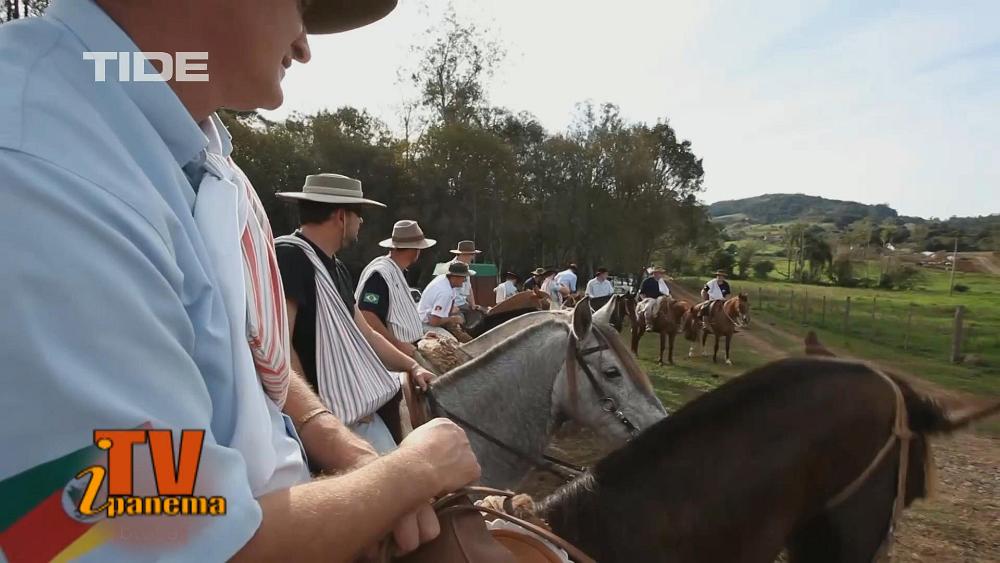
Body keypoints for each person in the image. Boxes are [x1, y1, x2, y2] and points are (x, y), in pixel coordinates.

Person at [0, 1, 480, 560]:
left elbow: (255, 361)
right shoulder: (42, 168)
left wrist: (339, 445)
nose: (304, 43)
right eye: (301, 5)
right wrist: (412, 472)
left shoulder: (166, 134)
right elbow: (144, 537)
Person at [275, 174, 436, 453]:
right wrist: (315, 419)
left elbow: (368, 333)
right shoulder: (290, 257)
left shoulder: (336, 268)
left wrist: (413, 365)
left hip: (355, 411)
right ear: (341, 216)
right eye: (358, 214)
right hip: (326, 421)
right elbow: (282, 345)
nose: (361, 221)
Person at [356, 220, 436, 358]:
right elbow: (367, 315)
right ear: (415, 250)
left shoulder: (396, 271)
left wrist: (419, 338)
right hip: (386, 357)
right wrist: (398, 345)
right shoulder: (380, 274)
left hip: (404, 349)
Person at [418, 262, 473, 330]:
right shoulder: (445, 292)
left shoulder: (444, 279)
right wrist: (453, 319)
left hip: (428, 318)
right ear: (455, 277)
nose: (464, 280)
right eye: (463, 277)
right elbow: (434, 322)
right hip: (426, 325)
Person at [448, 240, 485, 319]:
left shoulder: (466, 267)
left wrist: (473, 304)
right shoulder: (450, 268)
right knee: (460, 320)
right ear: (463, 255)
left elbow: (469, 288)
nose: (473, 257)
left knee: (482, 313)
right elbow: (446, 291)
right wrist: (450, 307)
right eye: (471, 255)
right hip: (454, 305)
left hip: (463, 303)